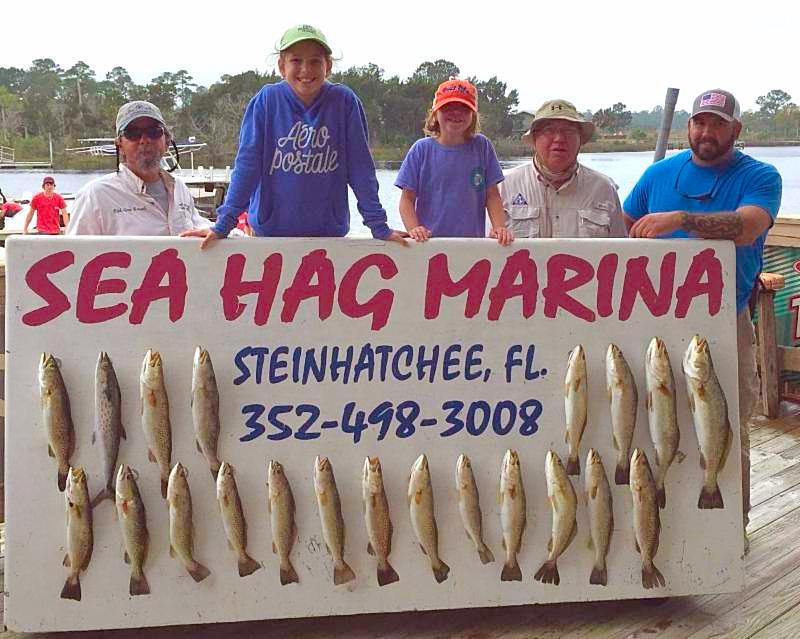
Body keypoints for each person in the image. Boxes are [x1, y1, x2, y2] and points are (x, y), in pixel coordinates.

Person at [624, 88, 782, 548]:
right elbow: (624, 225)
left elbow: (748, 226)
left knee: (728, 423)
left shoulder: (760, 176)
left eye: (717, 123)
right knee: (654, 420)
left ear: (736, 129)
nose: (706, 131)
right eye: (699, 122)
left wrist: (681, 219)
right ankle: (662, 526)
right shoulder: (657, 174)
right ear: (688, 126)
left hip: (725, 320)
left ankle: (731, 530)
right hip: (654, 322)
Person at [181, 24, 405, 248]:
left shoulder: (345, 102)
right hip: (269, 236)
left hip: (330, 237)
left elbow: (360, 169)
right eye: (296, 60)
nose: (306, 70)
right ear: (282, 66)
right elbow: (247, 166)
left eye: (315, 61)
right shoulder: (266, 101)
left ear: (328, 66)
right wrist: (223, 224)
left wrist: (379, 226)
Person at [394, 78, 512, 245]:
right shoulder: (421, 150)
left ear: (473, 115)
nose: (456, 113)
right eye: (448, 107)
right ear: (435, 113)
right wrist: (414, 229)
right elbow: (406, 200)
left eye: (464, 108)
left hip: (471, 246)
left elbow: (492, 195)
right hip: (428, 245)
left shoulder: (482, 146)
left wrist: (499, 227)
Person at [66, 100, 212, 235]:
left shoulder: (180, 188)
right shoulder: (94, 196)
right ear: (119, 145)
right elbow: (76, 251)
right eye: (133, 133)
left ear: (167, 141)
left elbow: (201, 227)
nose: (144, 140)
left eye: (154, 131)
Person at [499, 99, 626, 238]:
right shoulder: (503, 186)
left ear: (580, 139)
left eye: (569, 131)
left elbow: (620, 249)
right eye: (549, 130)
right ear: (534, 139)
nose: (559, 138)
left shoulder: (604, 189)